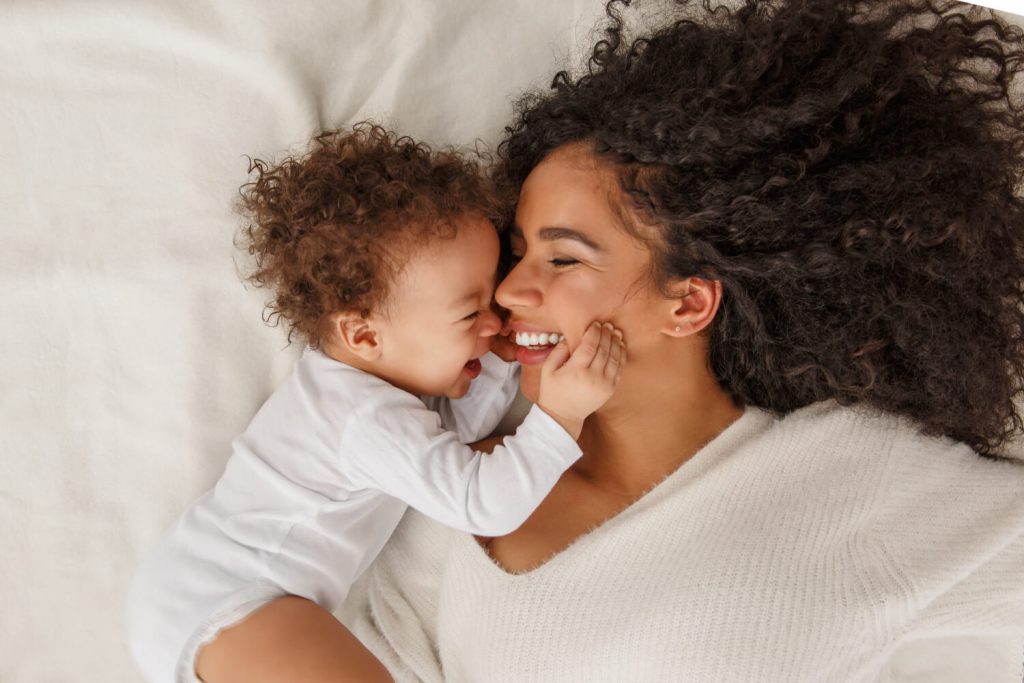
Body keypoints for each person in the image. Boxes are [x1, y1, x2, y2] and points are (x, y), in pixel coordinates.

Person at [332, 1, 1024, 681]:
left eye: (563, 259)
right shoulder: (459, 474)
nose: (510, 292)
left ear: (688, 301)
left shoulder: (846, 477)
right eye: (516, 255)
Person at [125, 123, 626, 683]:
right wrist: (559, 417)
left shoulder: (370, 388)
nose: (496, 322)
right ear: (364, 335)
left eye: (491, 300)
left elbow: (452, 437)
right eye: (470, 314)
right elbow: (480, 499)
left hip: (209, 595)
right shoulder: (362, 416)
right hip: (230, 599)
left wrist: (497, 358)